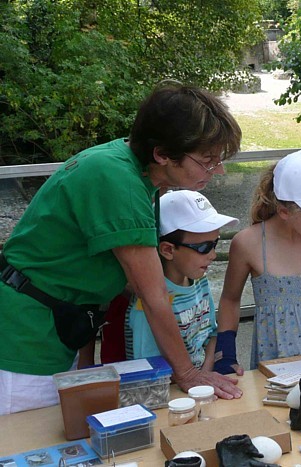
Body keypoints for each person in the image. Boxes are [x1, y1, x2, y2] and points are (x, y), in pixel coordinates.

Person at [0, 83, 243, 414]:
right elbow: (153, 293)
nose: (219, 170)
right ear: (162, 153)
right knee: (32, 443)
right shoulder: (118, 180)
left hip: (54, 327)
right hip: (25, 341)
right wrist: (188, 374)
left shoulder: (138, 173)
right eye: (207, 161)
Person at [218, 149, 301, 369]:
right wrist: (225, 356)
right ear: (284, 211)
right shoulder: (248, 243)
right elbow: (230, 300)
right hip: (277, 357)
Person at [125, 190, 238, 371]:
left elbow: (211, 334)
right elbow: (149, 370)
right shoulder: (146, 304)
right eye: (204, 247)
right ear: (168, 250)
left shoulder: (200, 281)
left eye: (215, 244)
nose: (213, 255)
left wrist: (206, 374)